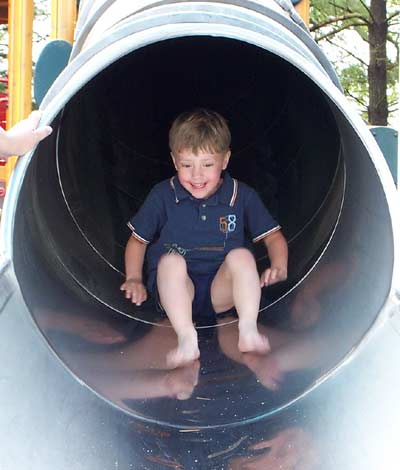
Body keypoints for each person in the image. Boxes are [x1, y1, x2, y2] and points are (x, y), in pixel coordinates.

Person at [121, 109, 288, 368]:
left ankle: (247, 330)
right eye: (187, 165)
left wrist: (279, 265)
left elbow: (274, 238)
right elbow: (137, 242)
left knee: (242, 256)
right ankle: (187, 338)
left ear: (225, 160)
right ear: (175, 162)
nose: (197, 176)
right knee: (170, 262)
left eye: (207, 165)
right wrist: (134, 279)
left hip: (221, 292)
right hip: (177, 292)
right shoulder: (163, 195)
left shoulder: (241, 196)